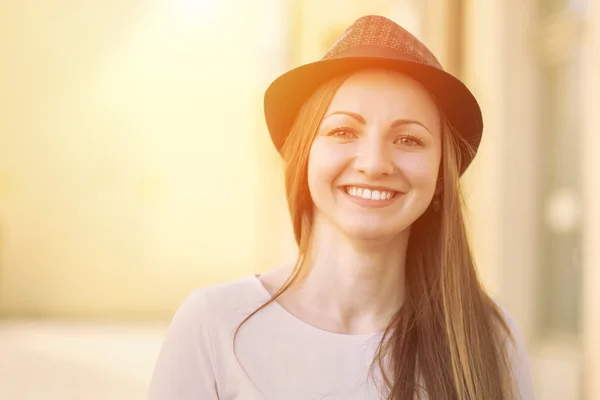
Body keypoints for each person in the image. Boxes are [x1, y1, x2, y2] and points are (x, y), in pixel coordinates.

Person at [147, 15, 534, 400]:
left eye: (409, 140)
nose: (374, 163)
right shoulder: (214, 326)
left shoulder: (488, 337)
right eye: (343, 131)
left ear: (439, 178)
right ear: (305, 157)